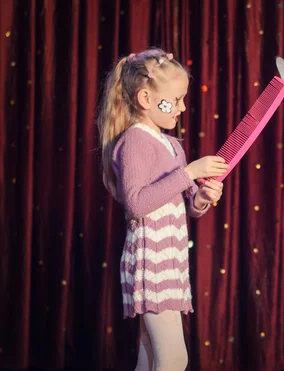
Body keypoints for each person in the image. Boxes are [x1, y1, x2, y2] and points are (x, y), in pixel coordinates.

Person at [96, 48, 229, 370]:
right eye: (177, 99)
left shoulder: (172, 145)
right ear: (145, 98)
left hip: (171, 261)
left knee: (151, 353)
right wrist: (189, 173)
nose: (183, 108)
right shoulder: (135, 141)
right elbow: (137, 203)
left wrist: (201, 197)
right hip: (150, 260)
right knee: (173, 358)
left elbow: (189, 204)